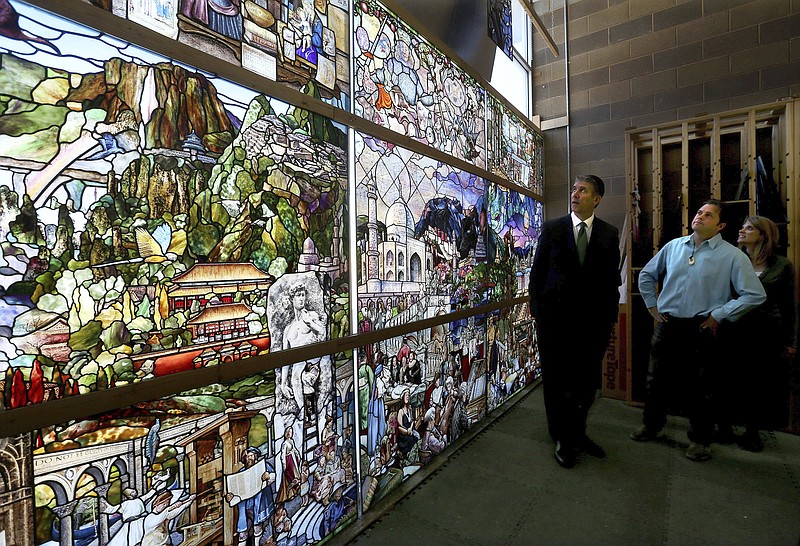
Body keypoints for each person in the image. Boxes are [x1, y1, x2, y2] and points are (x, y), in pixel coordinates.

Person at [630, 200, 766, 462]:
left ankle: (700, 440)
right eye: (699, 212)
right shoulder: (674, 247)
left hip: (702, 327)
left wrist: (719, 314)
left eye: (708, 215)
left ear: (721, 225)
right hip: (668, 324)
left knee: (703, 387)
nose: (700, 217)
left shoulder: (732, 256)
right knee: (656, 380)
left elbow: (754, 294)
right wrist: (651, 307)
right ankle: (651, 425)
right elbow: (647, 274)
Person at [529, 174, 621, 468]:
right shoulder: (553, 229)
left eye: (583, 190)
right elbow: (537, 273)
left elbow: (611, 282)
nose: (575, 194)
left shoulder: (608, 233)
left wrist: (608, 319)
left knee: (585, 383)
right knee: (557, 382)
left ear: (596, 199)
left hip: (592, 326)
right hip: (554, 324)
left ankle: (578, 433)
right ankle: (562, 437)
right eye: (573, 189)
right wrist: (538, 313)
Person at [724, 216, 797, 451]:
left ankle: (752, 432)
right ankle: (725, 428)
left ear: (763, 235)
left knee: (758, 384)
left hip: (766, 334)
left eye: (749, 228)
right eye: (742, 226)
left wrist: (791, 341)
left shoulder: (781, 265)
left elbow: (789, 306)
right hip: (734, 329)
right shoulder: (734, 260)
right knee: (729, 380)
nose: (742, 230)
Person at [225, 447, 276, 546]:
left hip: (260, 503)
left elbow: (273, 476)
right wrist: (230, 497)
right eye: (247, 457)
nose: (249, 458)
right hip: (245, 507)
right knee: (243, 533)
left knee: (258, 528)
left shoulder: (263, 466)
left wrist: (268, 476)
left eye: (251, 456)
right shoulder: (241, 471)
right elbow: (235, 491)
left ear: (256, 456)